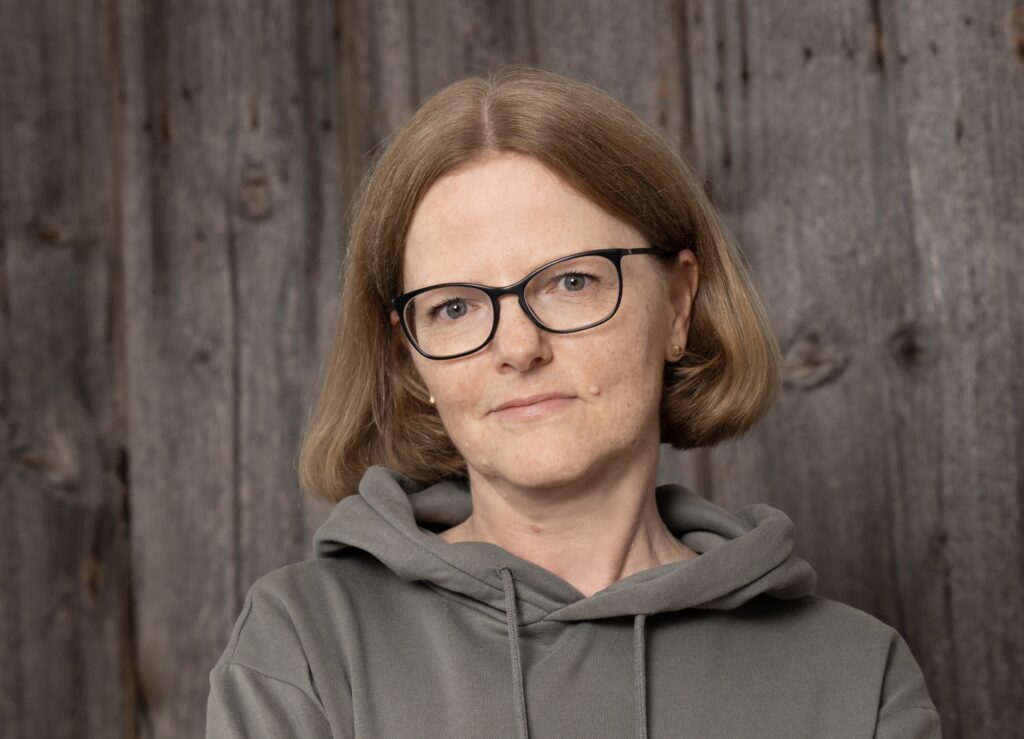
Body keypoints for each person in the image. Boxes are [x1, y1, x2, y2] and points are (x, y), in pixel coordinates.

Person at [206, 64, 941, 738]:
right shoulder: (303, 647)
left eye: (570, 282)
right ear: (411, 355)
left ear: (678, 305)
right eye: (455, 307)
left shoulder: (857, 678)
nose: (518, 347)